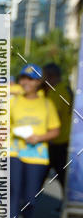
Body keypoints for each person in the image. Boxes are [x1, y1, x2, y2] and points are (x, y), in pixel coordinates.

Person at [9, 63, 60, 218]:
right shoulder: (13, 101)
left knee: (31, 197)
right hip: (14, 153)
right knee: (13, 195)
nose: (26, 82)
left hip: (37, 156)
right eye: (23, 78)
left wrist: (38, 137)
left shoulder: (47, 104)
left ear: (39, 82)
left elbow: (55, 130)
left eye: (31, 79)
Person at [42, 63, 73, 200]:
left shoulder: (57, 92)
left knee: (40, 175)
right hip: (63, 140)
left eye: (44, 76)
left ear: (51, 76)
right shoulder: (65, 88)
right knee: (63, 177)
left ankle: (27, 204)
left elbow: (54, 118)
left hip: (55, 141)